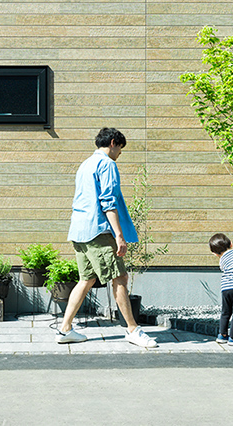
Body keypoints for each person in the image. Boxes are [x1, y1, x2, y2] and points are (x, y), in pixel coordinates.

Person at [56, 127, 158, 348]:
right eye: (120, 148)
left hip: (79, 231)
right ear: (113, 143)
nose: (120, 153)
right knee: (119, 278)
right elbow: (108, 202)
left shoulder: (85, 165)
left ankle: (65, 329)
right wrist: (119, 236)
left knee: (87, 279)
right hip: (98, 231)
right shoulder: (107, 164)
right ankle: (132, 330)